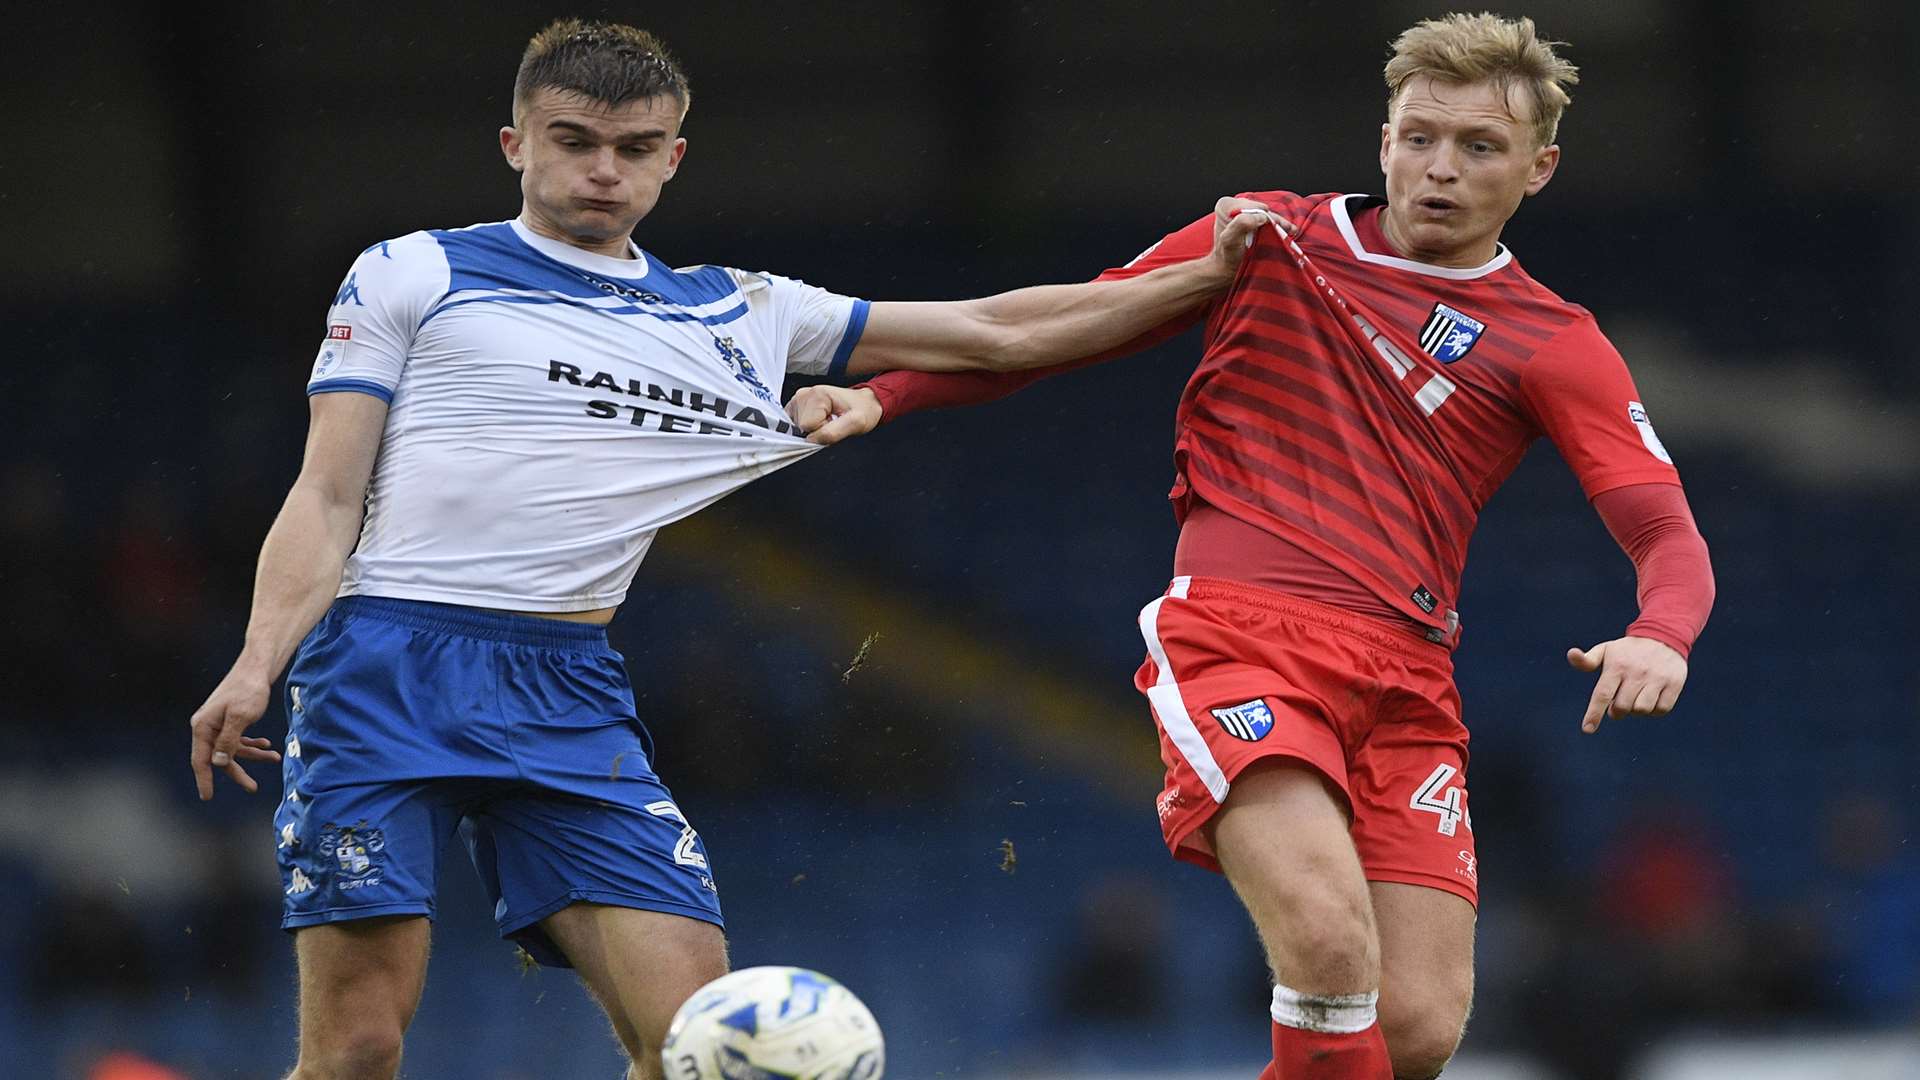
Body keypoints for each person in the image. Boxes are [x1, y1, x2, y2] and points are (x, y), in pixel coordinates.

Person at [184, 18, 1268, 1080]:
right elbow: (326, 495)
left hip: (567, 690)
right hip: (388, 666)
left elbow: (997, 330)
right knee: (358, 1050)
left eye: (634, 148)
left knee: (700, 1034)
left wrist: (1202, 276)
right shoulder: (414, 274)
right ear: (516, 144)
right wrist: (256, 658)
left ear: (672, 158)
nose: (603, 170)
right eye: (574, 141)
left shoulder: (735, 312)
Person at [789, 14, 1716, 1079]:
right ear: (1383, 139)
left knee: (1411, 1030)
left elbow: (1662, 526)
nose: (1440, 169)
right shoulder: (1270, 239)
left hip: (1408, 684)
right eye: (1419, 137)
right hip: (1243, 640)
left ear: (1539, 168)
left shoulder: (1555, 340)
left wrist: (1663, 633)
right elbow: (1064, 323)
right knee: (1327, 944)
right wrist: (884, 397)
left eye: (1479, 148)